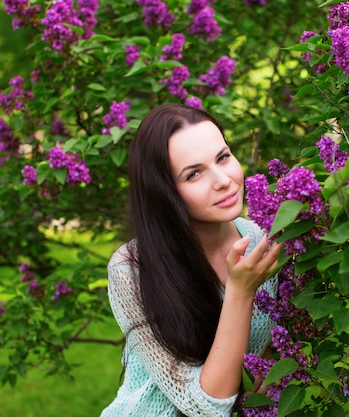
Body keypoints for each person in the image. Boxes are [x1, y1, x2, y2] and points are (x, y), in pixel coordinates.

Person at [100, 103, 282, 417]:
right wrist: (240, 290)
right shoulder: (131, 269)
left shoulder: (260, 240)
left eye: (223, 157)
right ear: (165, 192)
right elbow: (203, 406)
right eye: (194, 174)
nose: (223, 180)